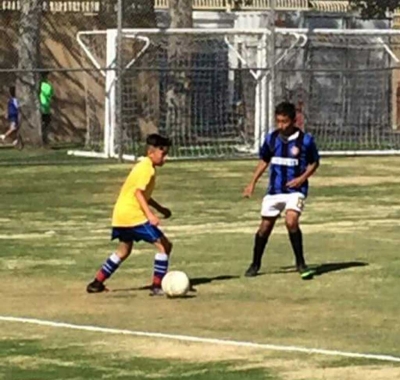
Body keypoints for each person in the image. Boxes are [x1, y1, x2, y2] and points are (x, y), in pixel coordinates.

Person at [86, 134, 173, 295]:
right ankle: (156, 286)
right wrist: (150, 216)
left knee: (123, 250)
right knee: (164, 246)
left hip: (121, 215)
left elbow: (143, 194)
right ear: (151, 152)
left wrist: (160, 209)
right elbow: (138, 193)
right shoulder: (147, 169)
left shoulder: (144, 166)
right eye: (163, 154)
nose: (165, 158)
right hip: (133, 216)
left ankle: (96, 283)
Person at [243, 101, 320, 280]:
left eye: (285, 121)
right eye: (278, 121)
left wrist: (301, 179)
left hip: (296, 190)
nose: (281, 125)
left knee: (291, 220)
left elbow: (314, 162)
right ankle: (255, 264)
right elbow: (264, 161)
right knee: (265, 227)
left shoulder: (305, 140)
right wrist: (252, 183)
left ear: (294, 121)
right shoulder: (272, 139)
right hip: (275, 191)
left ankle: (300, 263)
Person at [39, 72, 54, 145]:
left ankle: (43, 138)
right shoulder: (48, 85)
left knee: (42, 123)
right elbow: (51, 95)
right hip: (46, 108)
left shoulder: (38, 85)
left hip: (39, 108)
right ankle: (44, 139)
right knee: (46, 124)